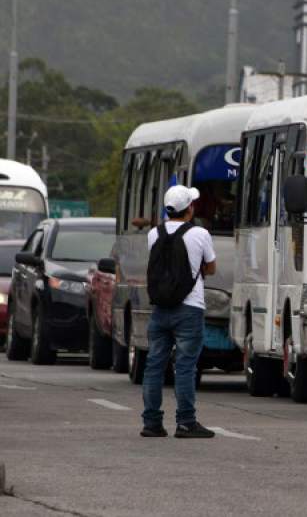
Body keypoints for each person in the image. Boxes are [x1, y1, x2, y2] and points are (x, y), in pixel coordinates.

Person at [140, 185, 217, 439]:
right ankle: (186, 422)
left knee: (154, 366)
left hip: (160, 308)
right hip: (190, 308)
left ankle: (151, 423)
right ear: (190, 209)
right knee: (184, 367)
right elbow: (211, 268)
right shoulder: (200, 234)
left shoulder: (154, 234)